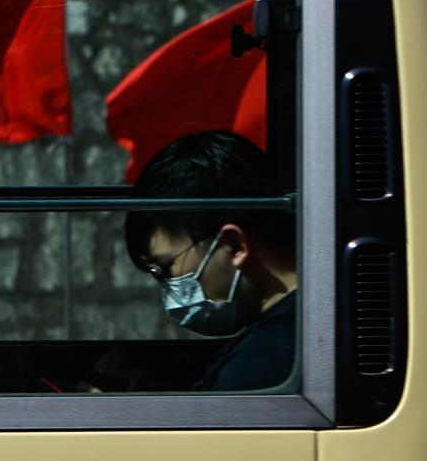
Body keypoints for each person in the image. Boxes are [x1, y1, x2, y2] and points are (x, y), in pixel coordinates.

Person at [123, 131, 297, 391]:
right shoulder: (312, 325)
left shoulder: (261, 367)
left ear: (234, 245)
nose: (169, 290)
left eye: (166, 268)